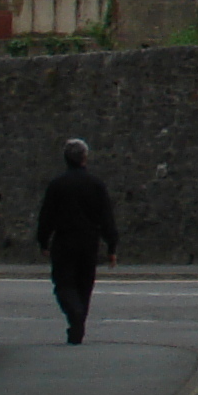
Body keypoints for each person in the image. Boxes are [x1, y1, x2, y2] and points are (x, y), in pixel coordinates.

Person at [35, 138, 119, 345]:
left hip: (64, 240)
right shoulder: (96, 185)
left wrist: (43, 241)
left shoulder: (57, 185)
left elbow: (46, 216)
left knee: (63, 284)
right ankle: (78, 322)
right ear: (84, 158)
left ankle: (75, 315)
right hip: (89, 241)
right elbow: (106, 217)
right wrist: (112, 246)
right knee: (84, 284)